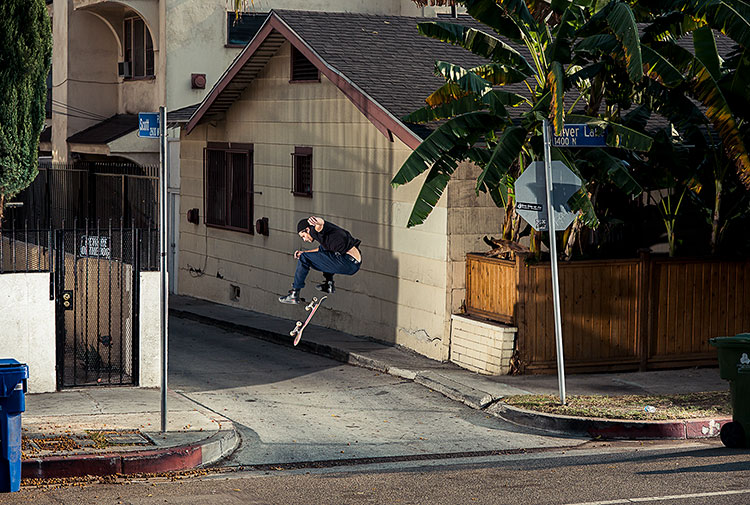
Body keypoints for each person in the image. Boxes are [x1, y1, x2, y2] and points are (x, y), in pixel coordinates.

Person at [278, 216, 362, 304]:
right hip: (353, 263)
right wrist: (304, 252)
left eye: (303, 236)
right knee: (323, 254)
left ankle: (294, 293)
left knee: (305, 258)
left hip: (347, 261)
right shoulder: (327, 237)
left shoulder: (314, 231)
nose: (304, 239)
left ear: (307, 230)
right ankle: (328, 284)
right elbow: (320, 250)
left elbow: (320, 224)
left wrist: (316, 221)